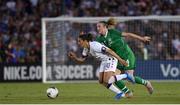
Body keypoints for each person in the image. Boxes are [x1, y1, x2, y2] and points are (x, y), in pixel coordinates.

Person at [68, 33, 135, 100]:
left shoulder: (95, 45)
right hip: (104, 61)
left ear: (85, 41)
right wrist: (75, 57)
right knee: (101, 81)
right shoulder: (86, 48)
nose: (78, 43)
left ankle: (126, 76)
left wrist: (121, 60)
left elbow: (109, 50)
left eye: (80, 41)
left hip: (111, 59)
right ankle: (120, 93)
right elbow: (82, 59)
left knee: (107, 80)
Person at [95, 19, 153, 95]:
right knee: (113, 78)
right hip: (117, 59)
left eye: (99, 26)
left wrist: (142, 39)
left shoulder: (113, 32)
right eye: (97, 27)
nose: (97, 28)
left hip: (127, 55)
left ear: (105, 27)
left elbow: (128, 34)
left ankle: (146, 83)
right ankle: (127, 92)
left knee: (130, 78)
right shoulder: (99, 39)